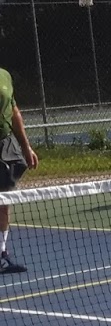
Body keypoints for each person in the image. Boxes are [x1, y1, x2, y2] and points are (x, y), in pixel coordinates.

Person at [0, 67, 39, 274]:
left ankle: (2, 254)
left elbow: (14, 112)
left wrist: (26, 147)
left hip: (5, 144)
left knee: (5, 200)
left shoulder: (5, 75)